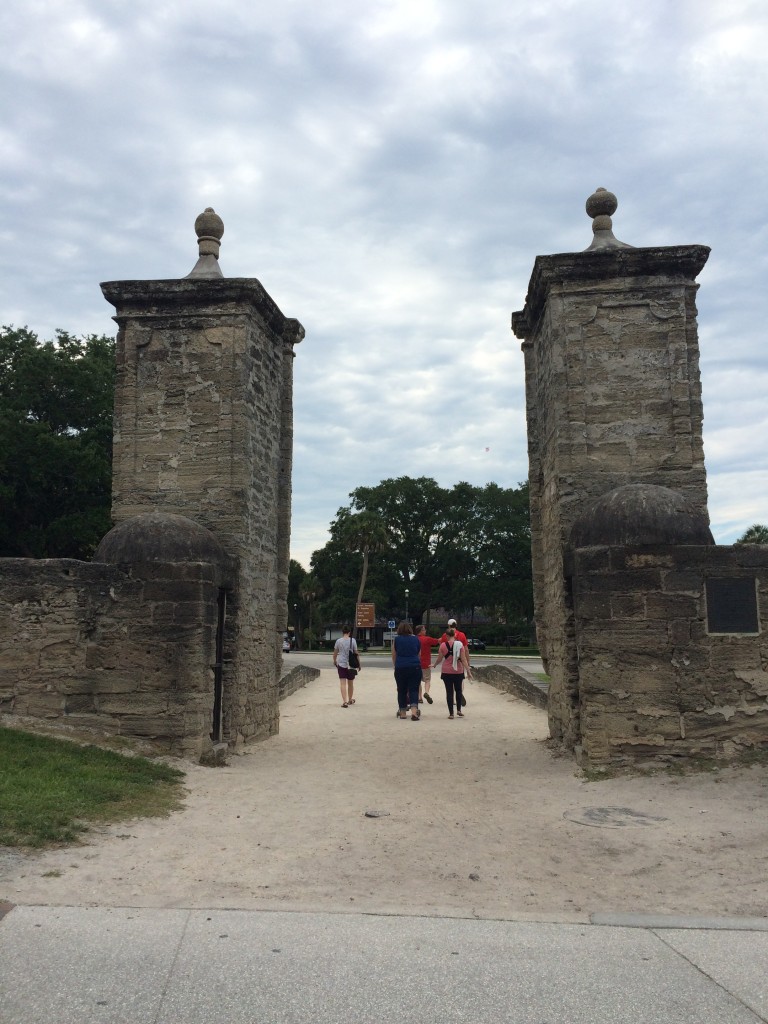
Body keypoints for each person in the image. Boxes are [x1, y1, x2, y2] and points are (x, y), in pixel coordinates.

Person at [433, 627, 472, 718]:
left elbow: (440, 658)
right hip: (458, 670)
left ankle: (451, 713)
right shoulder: (460, 645)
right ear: (455, 635)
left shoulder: (443, 645)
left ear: (446, 636)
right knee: (458, 691)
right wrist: (468, 671)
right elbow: (463, 659)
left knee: (449, 692)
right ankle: (459, 710)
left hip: (447, 671)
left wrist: (434, 665)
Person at [392, 620, 422, 720]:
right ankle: (414, 712)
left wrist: (395, 665)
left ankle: (403, 712)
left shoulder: (396, 640)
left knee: (401, 690)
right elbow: (419, 654)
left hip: (400, 666)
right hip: (415, 666)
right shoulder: (416, 639)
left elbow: (394, 655)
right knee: (414, 689)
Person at [333, 625, 361, 708]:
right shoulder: (353, 641)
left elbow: (335, 653)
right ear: (349, 632)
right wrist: (359, 664)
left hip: (341, 664)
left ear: (342, 632)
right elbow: (356, 653)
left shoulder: (338, 641)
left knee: (342, 683)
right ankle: (350, 699)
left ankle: (344, 701)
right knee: (350, 683)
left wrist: (335, 661)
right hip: (351, 665)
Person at [415, 625, 440, 704]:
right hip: (426, 664)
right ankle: (426, 692)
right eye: (424, 630)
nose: (425, 631)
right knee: (427, 680)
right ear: (421, 631)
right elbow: (437, 641)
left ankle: (419, 698)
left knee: (417, 681)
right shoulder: (427, 639)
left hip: (416, 663)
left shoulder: (414, 639)